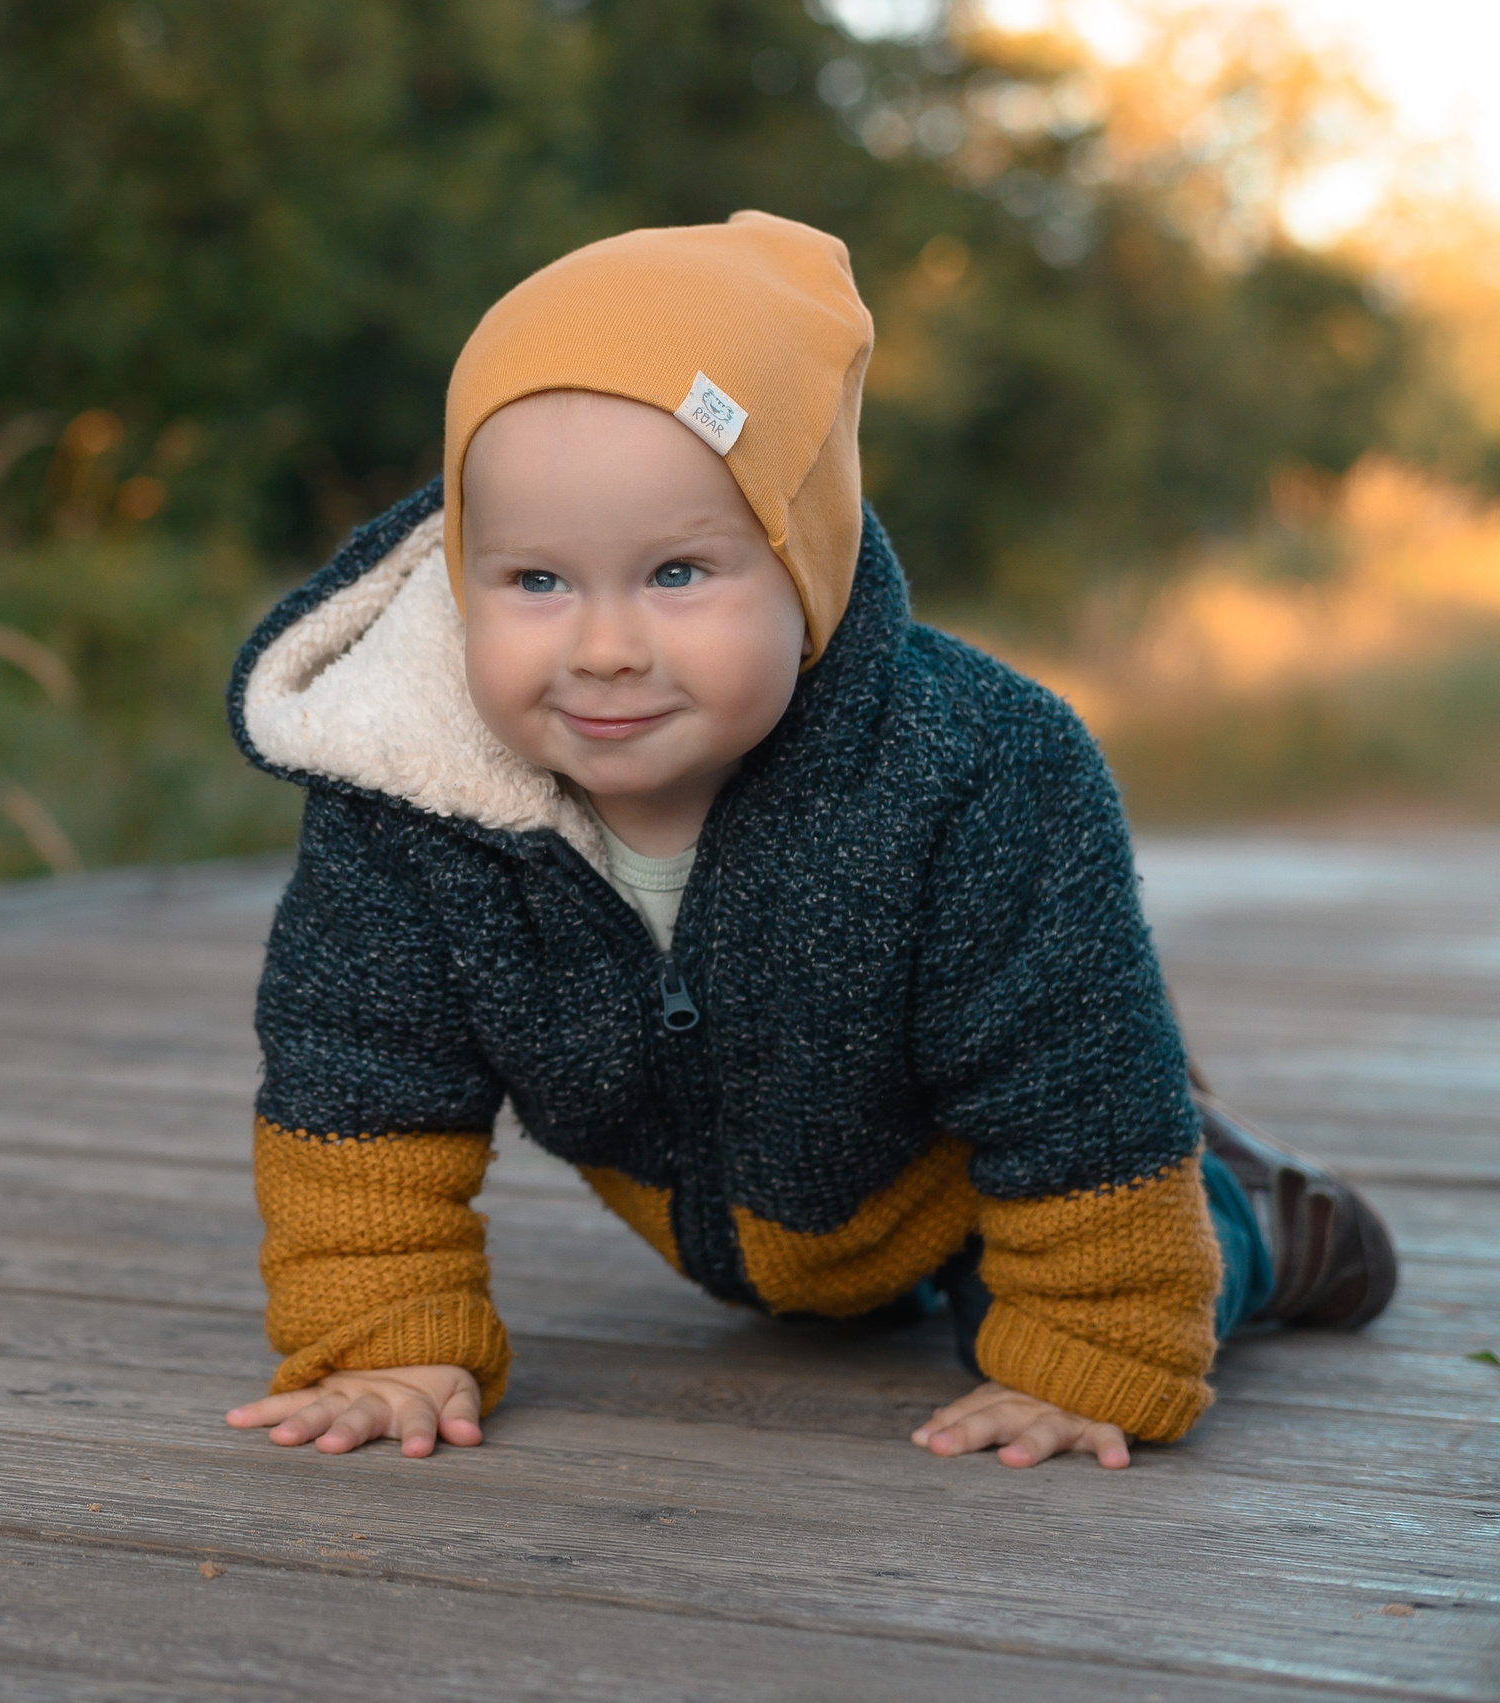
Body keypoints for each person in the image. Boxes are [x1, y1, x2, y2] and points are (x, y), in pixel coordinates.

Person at [220, 213, 1397, 1470]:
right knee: (849, 1305)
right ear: (459, 572)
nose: (603, 645)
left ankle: (1257, 1212)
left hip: (954, 1173)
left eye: (677, 573)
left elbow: (1070, 1074)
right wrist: (388, 1333)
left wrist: (1099, 1344)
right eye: (535, 582)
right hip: (737, 1217)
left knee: (1019, 1316)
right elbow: (362, 1078)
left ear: (806, 566)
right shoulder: (409, 795)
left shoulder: (978, 768)